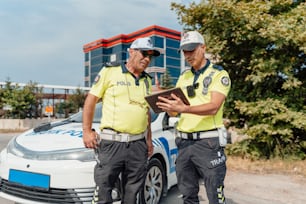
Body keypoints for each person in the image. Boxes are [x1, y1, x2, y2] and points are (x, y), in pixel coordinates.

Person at [82, 37, 160, 204]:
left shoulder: (147, 80)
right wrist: (87, 131)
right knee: (104, 190)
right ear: (131, 52)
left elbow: (145, 112)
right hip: (112, 144)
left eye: (150, 56)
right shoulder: (110, 72)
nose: (147, 59)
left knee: (132, 193)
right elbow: (91, 100)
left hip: (138, 145)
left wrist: (148, 140)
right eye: (144, 54)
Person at [157, 30, 231, 204]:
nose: (188, 55)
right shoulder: (184, 76)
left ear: (203, 48)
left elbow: (214, 107)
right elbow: (176, 111)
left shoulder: (218, 74)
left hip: (208, 143)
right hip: (184, 144)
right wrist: (166, 104)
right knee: (188, 194)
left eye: (191, 50)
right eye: (184, 51)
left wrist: (184, 108)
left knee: (215, 194)